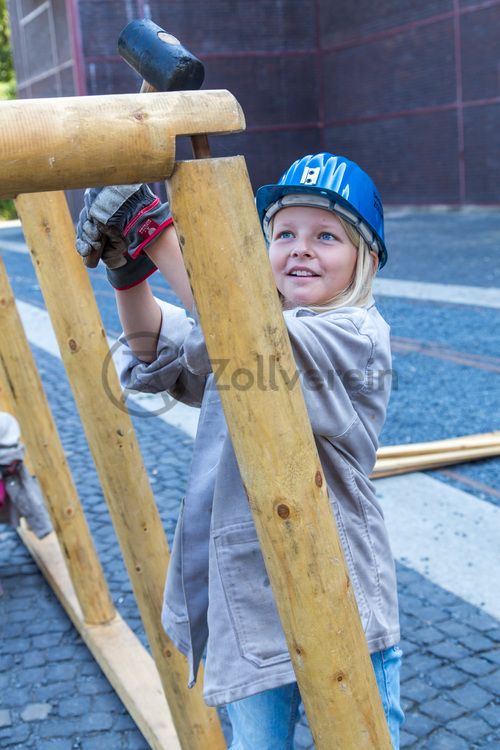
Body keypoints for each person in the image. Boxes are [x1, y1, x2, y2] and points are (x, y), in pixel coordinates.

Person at [76, 152, 404, 749]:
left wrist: (155, 229)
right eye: (284, 233)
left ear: (367, 258)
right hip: (247, 598)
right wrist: (130, 270)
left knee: (365, 737)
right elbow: (158, 353)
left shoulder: (357, 335)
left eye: (326, 235)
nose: (301, 248)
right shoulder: (241, 323)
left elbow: (256, 339)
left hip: (341, 589)